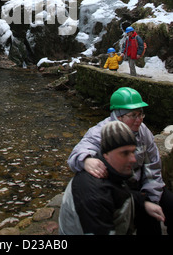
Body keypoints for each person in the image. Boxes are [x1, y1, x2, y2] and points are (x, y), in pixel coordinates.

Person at [67, 87, 173, 235]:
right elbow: (76, 155)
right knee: (150, 220)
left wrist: (150, 197)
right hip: (119, 189)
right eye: (133, 115)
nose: (139, 119)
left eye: (141, 113)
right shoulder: (101, 132)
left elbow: (153, 166)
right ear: (119, 116)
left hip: (142, 186)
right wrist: (86, 160)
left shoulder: (143, 132)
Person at [59, 121, 165, 235]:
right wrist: (84, 159)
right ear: (106, 154)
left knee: (150, 214)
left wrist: (143, 203)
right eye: (124, 153)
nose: (133, 159)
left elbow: (119, 192)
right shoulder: (94, 193)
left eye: (133, 152)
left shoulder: (113, 170)